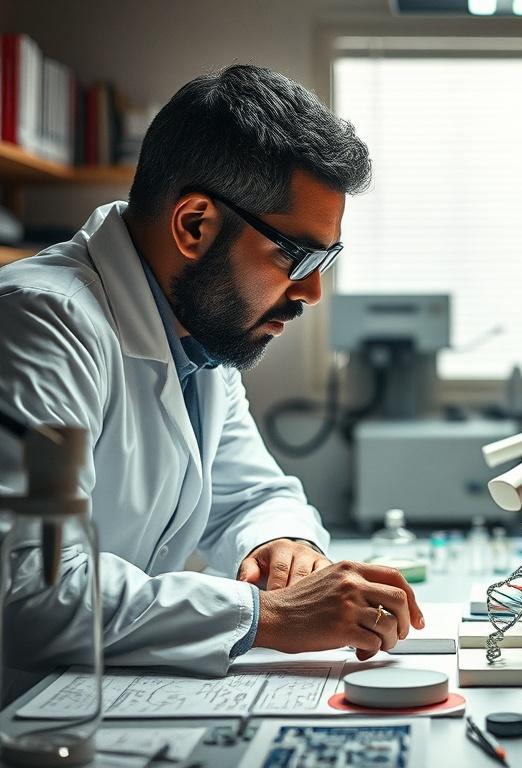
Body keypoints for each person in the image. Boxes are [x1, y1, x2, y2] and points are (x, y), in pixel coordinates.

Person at [0, 65, 424, 682]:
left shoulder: (195, 339)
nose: (311, 291)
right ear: (195, 224)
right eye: (297, 255)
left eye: (326, 260)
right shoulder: (43, 324)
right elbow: (34, 589)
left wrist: (284, 549)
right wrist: (264, 615)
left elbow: (253, 494)